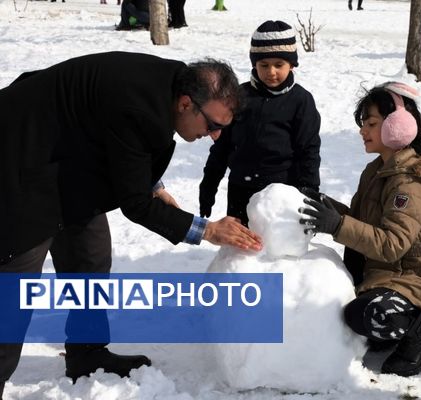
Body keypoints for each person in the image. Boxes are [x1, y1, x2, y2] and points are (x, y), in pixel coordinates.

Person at [0, 51, 262, 398]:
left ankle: (86, 353)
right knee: (14, 288)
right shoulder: (142, 108)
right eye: (213, 125)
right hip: (18, 162)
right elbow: (135, 204)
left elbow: (118, 137)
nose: (214, 136)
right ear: (186, 104)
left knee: (89, 258)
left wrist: (153, 184)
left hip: (70, 161)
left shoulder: (171, 84)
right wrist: (208, 230)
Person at [298, 82, 421, 377]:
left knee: (365, 316)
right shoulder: (377, 170)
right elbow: (364, 221)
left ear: (399, 126)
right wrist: (327, 208)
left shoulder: (411, 182)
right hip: (379, 274)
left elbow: (392, 244)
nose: (362, 130)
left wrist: (339, 225)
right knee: (335, 309)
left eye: (371, 123)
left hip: (412, 279)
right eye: (362, 123)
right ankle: (386, 327)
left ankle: (420, 333)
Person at [199, 20, 321, 226]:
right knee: (243, 248)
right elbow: (222, 146)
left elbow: (308, 151)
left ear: (291, 64)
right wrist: (209, 185)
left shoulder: (301, 101)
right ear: (254, 63)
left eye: (279, 65)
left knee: (276, 247)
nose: (271, 72)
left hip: (280, 191)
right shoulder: (239, 96)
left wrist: (309, 195)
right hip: (240, 189)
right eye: (264, 65)